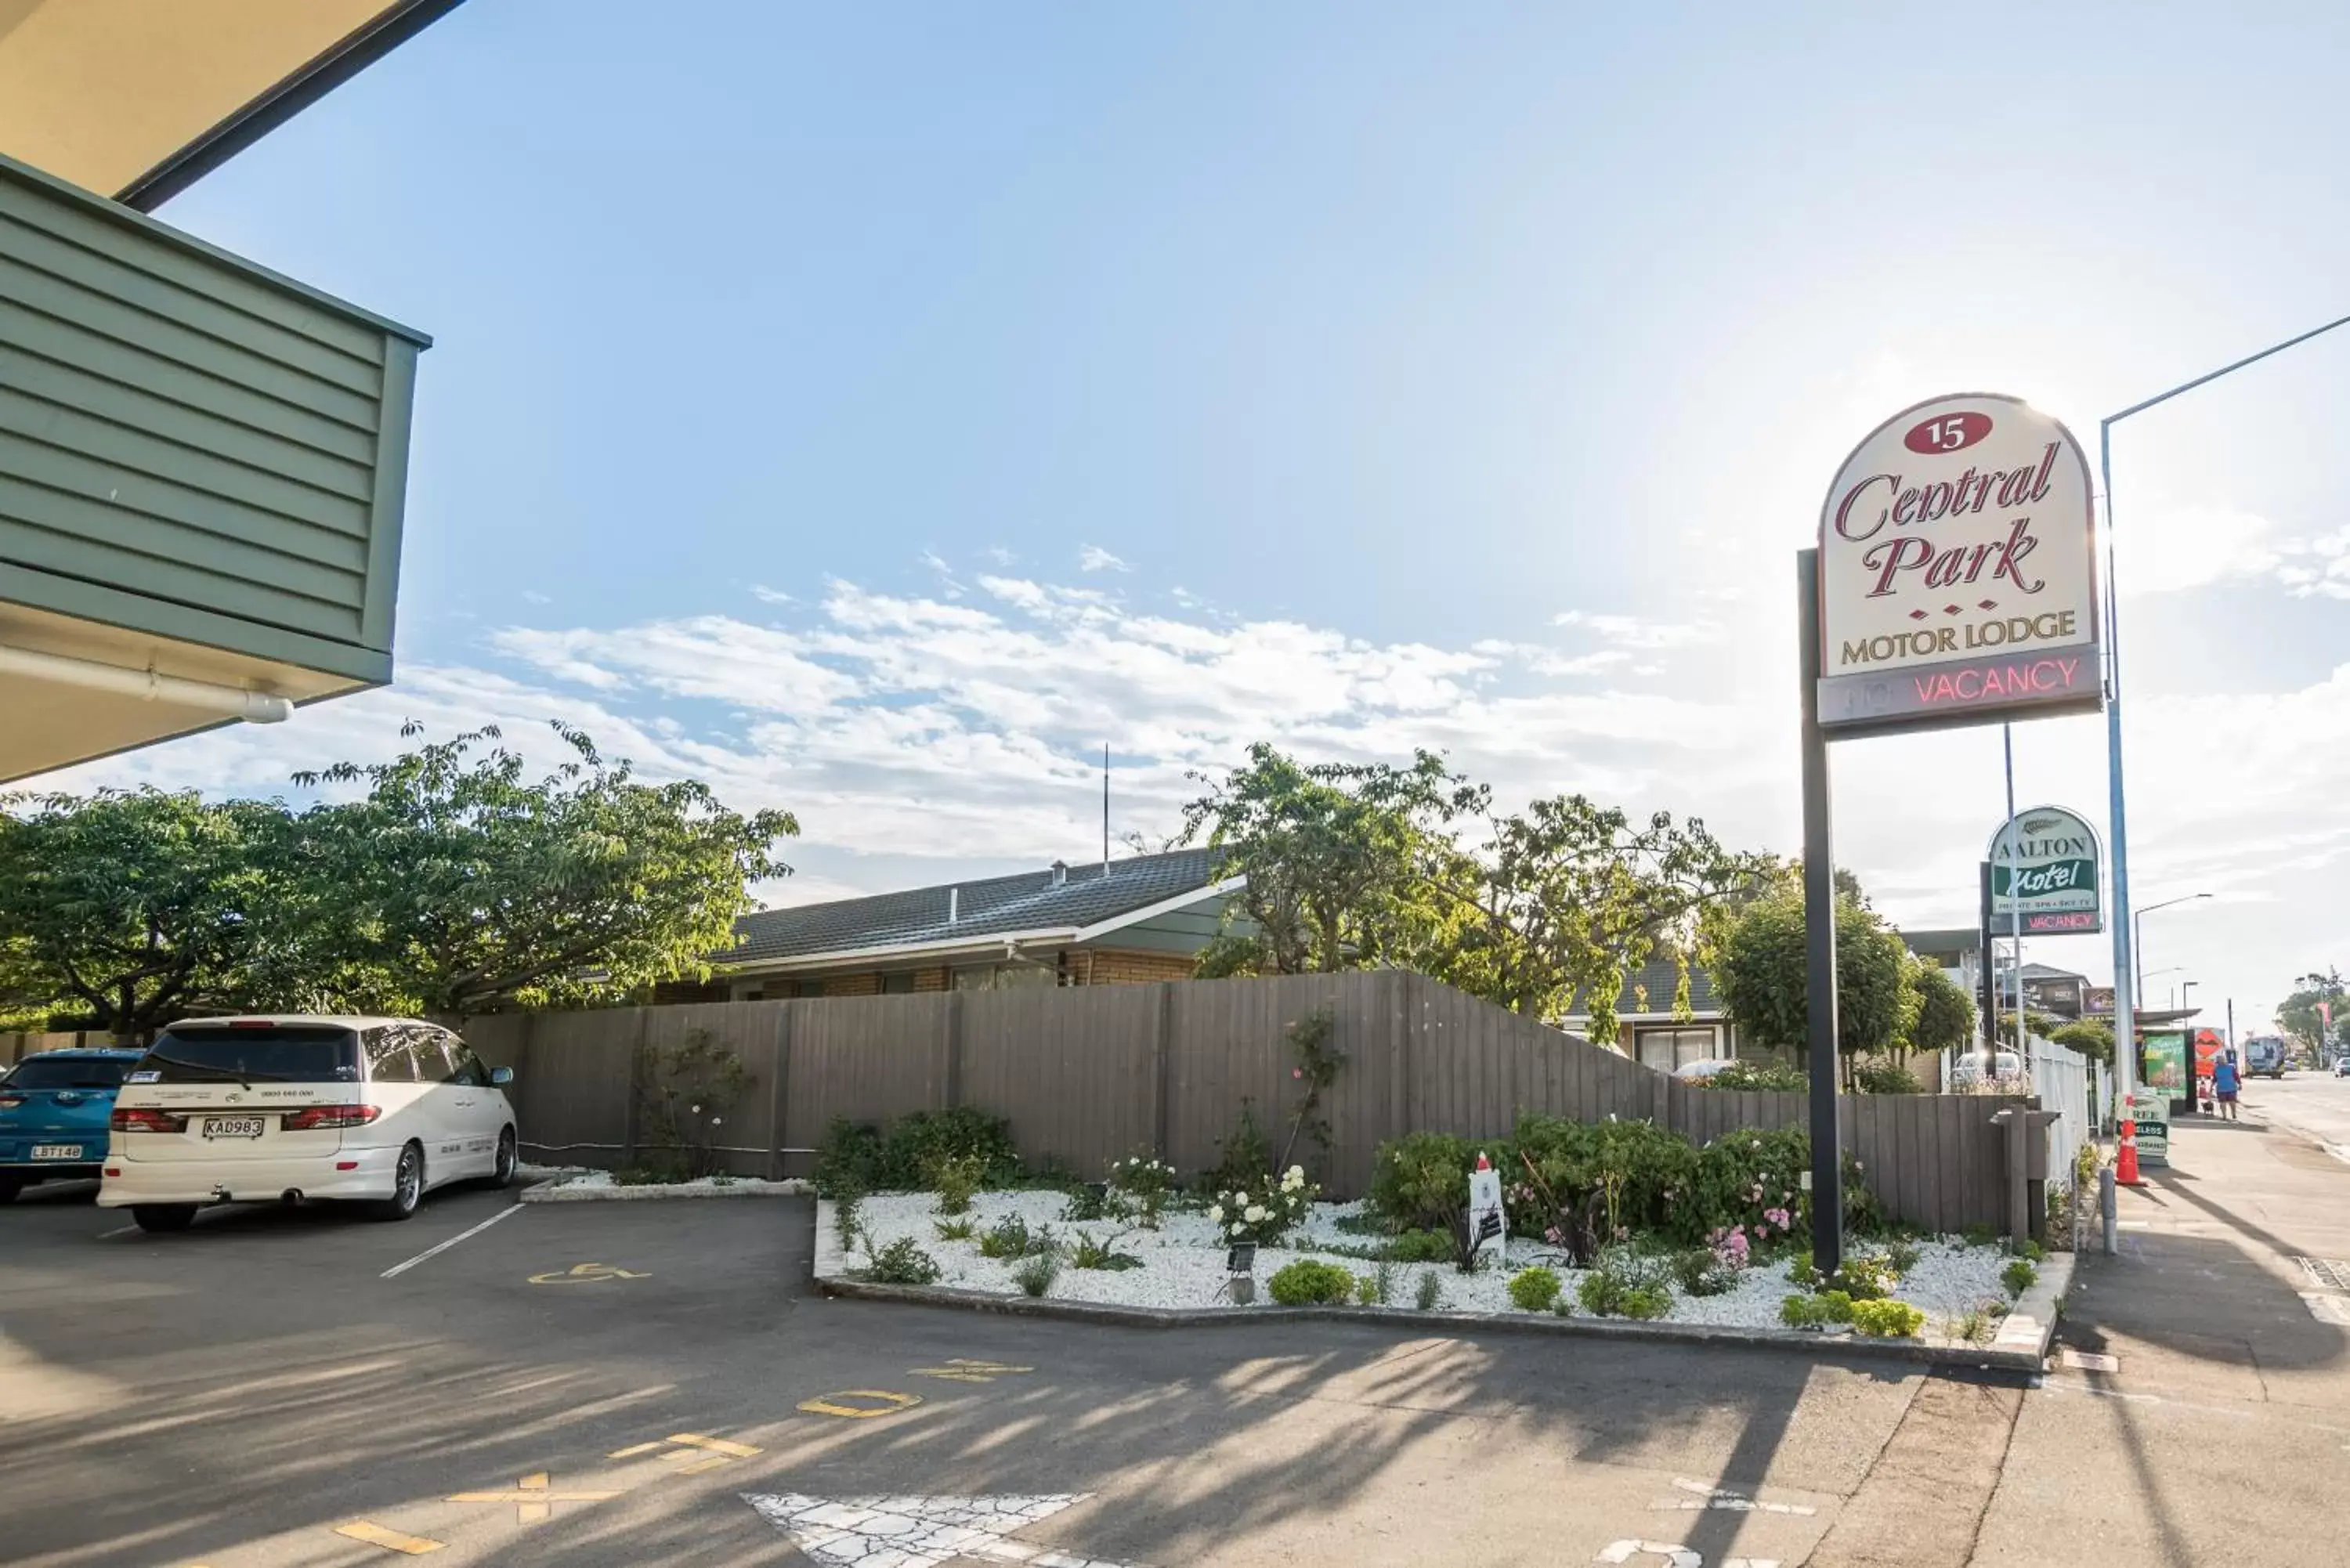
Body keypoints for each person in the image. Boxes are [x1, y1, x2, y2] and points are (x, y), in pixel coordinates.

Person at [2212, 1051, 2241, 1122]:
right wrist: (2240, 1084)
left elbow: (2214, 1079)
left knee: (2223, 1102)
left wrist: (2211, 1087)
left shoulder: (2216, 1069)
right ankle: (2233, 1113)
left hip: (2221, 1088)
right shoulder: (2231, 1067)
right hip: (2231, 1087)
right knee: (2232, 1101)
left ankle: (2224, 1116)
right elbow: (2236, 1076)